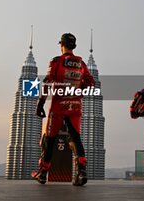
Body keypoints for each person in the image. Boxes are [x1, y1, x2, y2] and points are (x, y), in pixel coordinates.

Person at [32, 33, 95, 186]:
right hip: (75, 106)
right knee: (76, 138)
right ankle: (82, 172)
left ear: (61, 45)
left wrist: (40, 103)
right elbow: (91, 83)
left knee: (50, 139)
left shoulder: (57, 61)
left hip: (58, 106)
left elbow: (47, 81)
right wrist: (77, 89)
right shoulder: (81, 63)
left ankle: (43, 172)